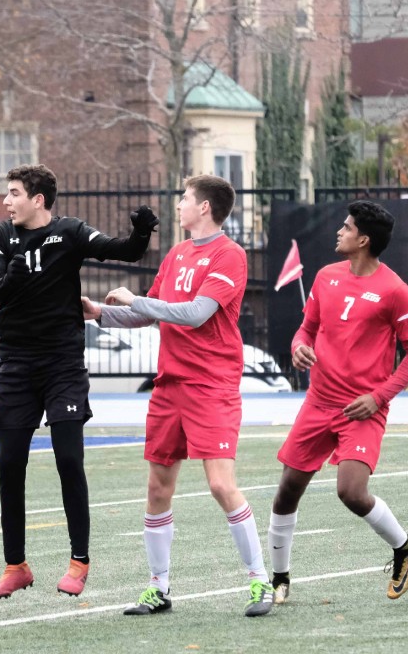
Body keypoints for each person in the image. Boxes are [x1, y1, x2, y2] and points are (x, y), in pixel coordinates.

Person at [84, 174, 273, 618]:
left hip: (211, 387)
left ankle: (259, 582)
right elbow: (148, 313)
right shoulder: (176, 254)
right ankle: (159, 588)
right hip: (170, 387)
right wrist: (99, 314)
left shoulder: (230, 255)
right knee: (157, 489)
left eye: (185, 198)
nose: (179, 205)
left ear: (205, 207)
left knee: (221, 485)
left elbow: (193, 314)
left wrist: (135, 300)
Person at [0, 164, 157, 600]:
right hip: (17, 366)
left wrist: (141, 231)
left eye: (14, 192)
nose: (6, 201)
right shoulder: (0, 236)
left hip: (63, 364)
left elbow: (125, 251)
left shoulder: (71, 232)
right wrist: (14, 277)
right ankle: (15, 565)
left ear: (37, 199)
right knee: (8, 466)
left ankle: (79, 561)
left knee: (68, 461)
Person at [267, 200, 408, 603]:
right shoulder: (325, 277)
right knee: (287, 490)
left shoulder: (394, 290)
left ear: (364, 239)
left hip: (361, 410)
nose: (339, 231)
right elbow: (306, 330)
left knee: (351, 492)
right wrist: (299, 345)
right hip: (318, 403)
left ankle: (404, 546)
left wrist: (378, 398)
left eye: (346, 226)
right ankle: (280, 577)